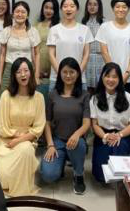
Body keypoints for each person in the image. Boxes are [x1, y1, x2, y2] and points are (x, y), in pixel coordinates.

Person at [0, 57, 46, 197]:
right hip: (6, 140)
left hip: (27, 139)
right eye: (18, 72)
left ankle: (22, 192)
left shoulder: (39, 97)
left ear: (31, 72)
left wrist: (19, 140)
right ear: (13, 75)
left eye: (26, 70)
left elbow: (38, 128)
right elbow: (2, 126)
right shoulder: (6, 96)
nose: (23, 74)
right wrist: (15, 136)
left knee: (26, 149)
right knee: (4, 178)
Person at [40, 58, 90, 195]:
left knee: (78, 144)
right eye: (65, 72)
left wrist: (77, 134)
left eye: (72, 72)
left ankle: (78, 175)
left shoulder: (84, 95)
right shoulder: (52, 94)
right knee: (48, 175)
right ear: (60, 73)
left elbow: (87, 123)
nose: (68, 75)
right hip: (57, 141)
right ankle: (60, 163)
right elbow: (47, 122)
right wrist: (50, 145)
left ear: (78, 73)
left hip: (76, 141)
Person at [90, 62, 130, 184]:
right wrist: (105, 136)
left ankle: (121, 175)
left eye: (114, 77)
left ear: (119, 79)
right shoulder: (95, 99)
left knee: (118, 149)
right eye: (107, 76)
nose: (110, 80)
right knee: (100, 175)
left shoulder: (128, 98)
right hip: (103, 135)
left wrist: (119, 135)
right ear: (102, 77)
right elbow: (94, 124)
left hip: (124, 135)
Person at [96, 0, 130, 103]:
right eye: (117, 7)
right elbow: (104, 52)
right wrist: (114, 74)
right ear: (113, 8)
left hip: (129, 78)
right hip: (109, 78)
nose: (121, 9)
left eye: (124, 7)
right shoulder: (105, 27)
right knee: (106, 107)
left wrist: (127, 74)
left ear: (128, 9)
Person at [47, 0, 92, 90]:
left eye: (72, 6)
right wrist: (62, 74)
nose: (68, 9)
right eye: (65, 6)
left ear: (77, 9)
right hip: (57, 78)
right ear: (61, 9)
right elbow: (51, 55)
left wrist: (77, 74)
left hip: (79, 79)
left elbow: (86, 55)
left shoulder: (85, 30)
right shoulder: (54, 30)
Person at [0, 1, 40, 95]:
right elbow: (2, 55)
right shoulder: (6, 31)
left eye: (23, 12)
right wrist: (0, 77)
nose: (20, 14)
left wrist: (36, 76)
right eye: (17, 11)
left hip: (27, 69)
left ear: (27, 15)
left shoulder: (33, 32)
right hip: (9, 68)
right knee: (4, 95)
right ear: (13, 14)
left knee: (26, 96)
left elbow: (37, 54)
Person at [35, 0, 59, 101]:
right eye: (46, 7)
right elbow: (34, 49)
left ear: (56, 11)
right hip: (38, 70)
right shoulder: (36, 26)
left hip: (54, 70)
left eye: (51, 8)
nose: (48, 11)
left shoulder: (59, 27)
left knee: (52, 102)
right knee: (39, 101)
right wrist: (36, 70)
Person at [82, 0, 104, 95]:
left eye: (95, 4)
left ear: (99, 7)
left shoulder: (104, 23)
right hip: (86, 58)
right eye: (90, 4)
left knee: (100, 88)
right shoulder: (83, 23)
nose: (92, 7)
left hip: (101, 59)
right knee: (87, 88)